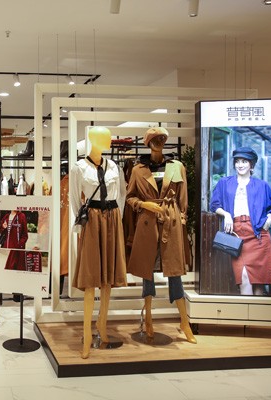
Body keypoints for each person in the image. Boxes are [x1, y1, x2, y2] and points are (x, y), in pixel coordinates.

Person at [125, 127, 196, 344]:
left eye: (162, 138)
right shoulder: (137, 169)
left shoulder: (177, 166)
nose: (159, 142)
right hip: (147, 223)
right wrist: (144, 204)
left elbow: (183, 198)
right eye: (154, 139)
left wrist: (181, 220)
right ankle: (148, 317)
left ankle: (184, 322)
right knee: (147, 270)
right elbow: (130, 198)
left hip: (170, 221)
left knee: (175, 271)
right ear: (147, 143)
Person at [70, 126, 127, 358]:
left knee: (107, 278)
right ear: (93, 140)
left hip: (112, 219)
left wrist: (116, 220)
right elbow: (75, 199)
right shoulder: (79, 167)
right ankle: (86, 332)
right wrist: (82, 224)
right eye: (105, 137)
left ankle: (102, 324)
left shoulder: (114, 166)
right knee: (91, 277)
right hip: (92, 221)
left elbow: (121, 194)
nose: (109, 141)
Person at [210, 147, 271, 295]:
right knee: (244, 277)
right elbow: (214, 205)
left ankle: (256, 311)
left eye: (244, 161)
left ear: (251, 164)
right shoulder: (224, 183)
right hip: (236, 235)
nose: (240, 165)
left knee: (259, 284)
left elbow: (270, 209)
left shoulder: (262, 185)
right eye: (237, 161)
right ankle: (247, 309)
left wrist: (270, 218)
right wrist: (226, 214)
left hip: (258, 235)